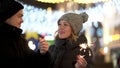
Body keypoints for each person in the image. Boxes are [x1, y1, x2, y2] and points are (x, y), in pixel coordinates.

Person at [0, 0, 50, 68]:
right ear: (7, 17)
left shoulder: (21, 40)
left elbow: (32, 62)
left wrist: (42, 53)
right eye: (19, 16)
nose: (22, 20)